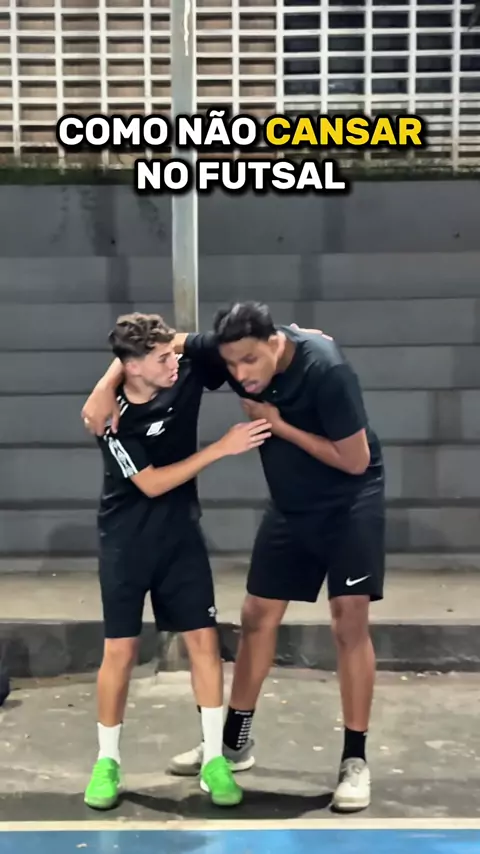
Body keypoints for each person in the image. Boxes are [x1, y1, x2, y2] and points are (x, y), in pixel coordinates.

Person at [82, 303, 385, 813]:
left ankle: (354, 759)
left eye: (249, 362)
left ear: (273, 343)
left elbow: (355, 461)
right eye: (231, 364)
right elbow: (162, 345)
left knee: (348, 619)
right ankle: (231, 744)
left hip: (347, 501)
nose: (240, 375)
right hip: (287, 505)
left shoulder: (326, 370)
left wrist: (278, 425)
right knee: (256, 616)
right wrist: (104, 385)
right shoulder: (219, 356)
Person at [82, 311, 272, 811]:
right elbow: (151, 483)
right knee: (120, 651)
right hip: (126, 545)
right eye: (162, 358)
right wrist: (222, 448)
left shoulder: (183, 372)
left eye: (173, 354)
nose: (174, 363)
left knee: (204, 644)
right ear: (133, 367)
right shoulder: (111, 419)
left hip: (181, 539)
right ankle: (107, 761)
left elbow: (227, 340)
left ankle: (215, 760)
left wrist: (294, 337)